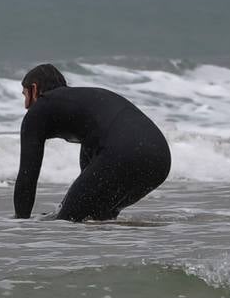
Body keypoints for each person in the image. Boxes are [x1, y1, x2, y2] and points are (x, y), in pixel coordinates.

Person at [14, 63, 171, 221]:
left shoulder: (40, 108)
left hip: (124, 152)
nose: (26, 105)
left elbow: (27, 176)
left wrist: (21, 223)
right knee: (98, 216)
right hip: (160, 159)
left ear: (34, 89)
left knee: (68, 221)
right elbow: (90, 172)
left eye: (25, 95)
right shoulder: (86, 105)